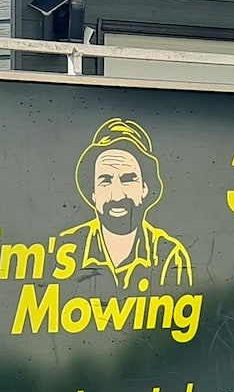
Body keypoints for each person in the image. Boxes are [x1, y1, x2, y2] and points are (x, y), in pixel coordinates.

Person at [60, 117, 193, 293]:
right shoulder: (65, 250)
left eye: (128, 179)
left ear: (145, 188)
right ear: (93, 193)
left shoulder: (169, 255)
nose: (117, 195)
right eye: (106, 181)